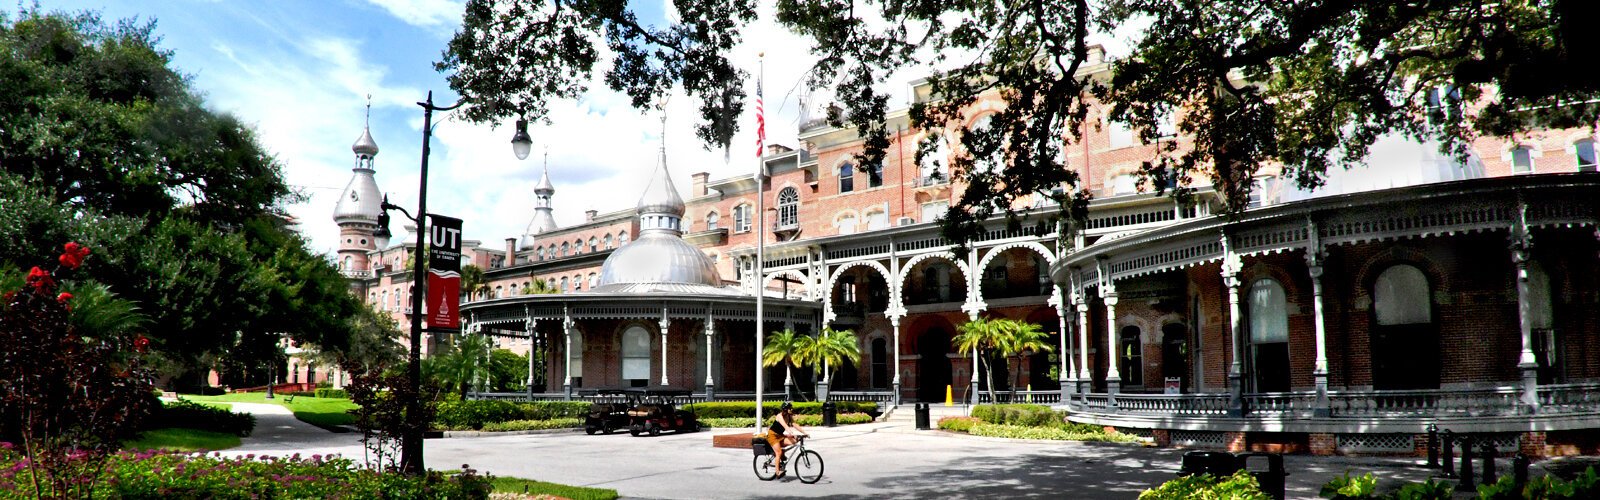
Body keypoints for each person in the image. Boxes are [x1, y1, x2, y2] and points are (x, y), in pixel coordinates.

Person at [765, 401, 807, 477]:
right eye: (789, 409)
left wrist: (804, 433)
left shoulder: (789, 416)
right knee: (779, 452)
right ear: (785, 409)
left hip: (780, 436)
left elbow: (794, 424)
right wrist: (792, 433)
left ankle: (782, 454)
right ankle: (778, 472)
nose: (791, 410)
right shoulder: (779, 416)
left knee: (794, 441)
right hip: (772, 436)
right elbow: (785, 426)